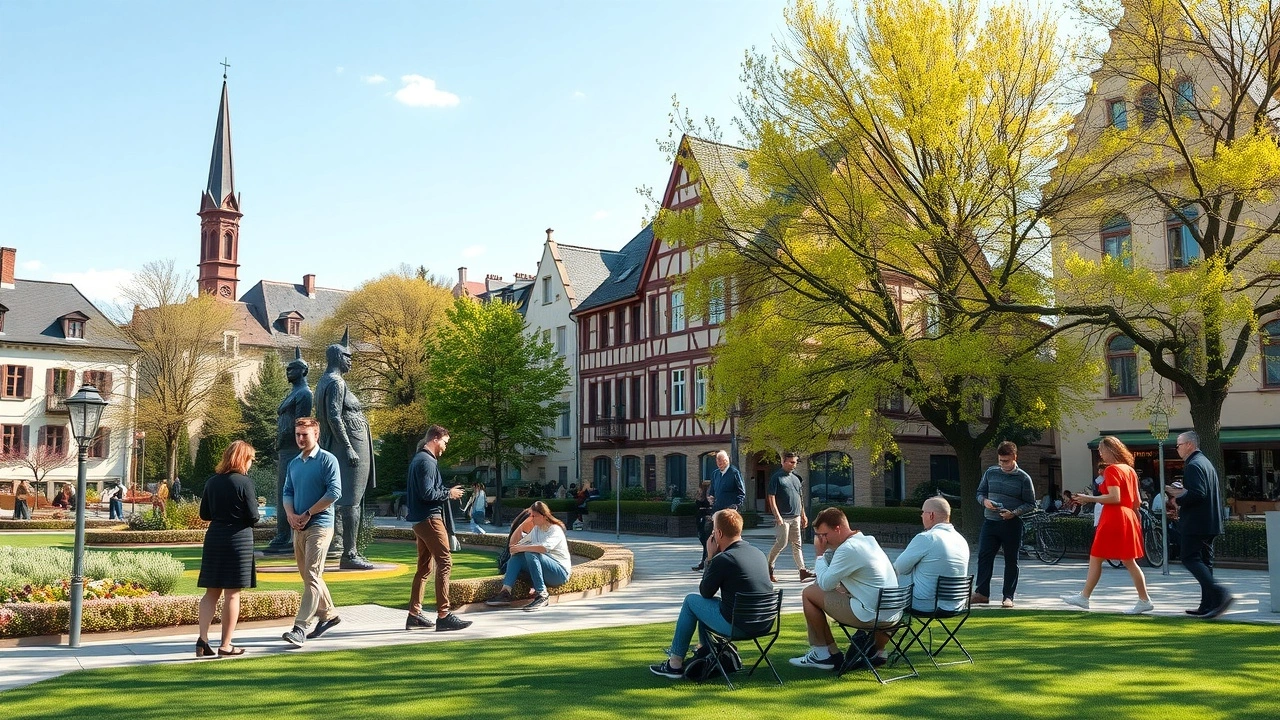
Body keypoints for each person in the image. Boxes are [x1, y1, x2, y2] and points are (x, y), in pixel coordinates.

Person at [649, 509, 772, 679]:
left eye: (713, 530)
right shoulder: (758, 553)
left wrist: (710, 557)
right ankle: (707, 652)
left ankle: (675, 663)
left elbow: (705, 592)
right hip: (765, 624)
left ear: (719, 533)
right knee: (709, 605)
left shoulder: (724, 559)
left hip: (739, 626)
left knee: (691, 601)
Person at [790, 507, 899, 670]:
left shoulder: (848, 548)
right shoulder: (868, 540)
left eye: (824, 535)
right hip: (893, 615)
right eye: (819, 536)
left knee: (809, 593)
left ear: (838, 529)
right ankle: (872, 651)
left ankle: (823, 654)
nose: (822, 540)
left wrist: (819, 554)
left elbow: (826, 584)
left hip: (871, 615)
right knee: (822, 590)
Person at [1060, 436, 1153, 614]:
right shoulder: (1130, 471)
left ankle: (1084, 597)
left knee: (1096, 556)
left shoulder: (1111, 471)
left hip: (1114, 517)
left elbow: (1114, 497)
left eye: (1102, 450)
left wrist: (1089, 498)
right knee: (1129, 561)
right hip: (1128, 516)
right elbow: (1137, 502)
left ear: (1111, 450)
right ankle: (1143, 599)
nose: (1100, 453)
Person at [316, 331, 378, 570]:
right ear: (337, 357)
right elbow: (334, 416)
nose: (351, 361)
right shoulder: (336, 382)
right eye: (348, 356)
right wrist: (350, 448)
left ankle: (341, 547)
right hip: (350, 445)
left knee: (346, 500)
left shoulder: (325, 381)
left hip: (345, 443)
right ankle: (350, 553)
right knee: (351, 501)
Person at [280, 417, 343, 647]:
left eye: (304, 435)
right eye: (297, 434)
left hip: (320, 524)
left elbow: (334, 492)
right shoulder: (294, 463)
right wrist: (290, 514)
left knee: (312, 575)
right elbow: (287, 491)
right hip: (298, 526)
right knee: (309, 576)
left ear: (316, 434)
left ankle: (300, 628)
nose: (300, 438)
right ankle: (330, 615)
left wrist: (308, 513)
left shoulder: (328, 460)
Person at [196, 440, 261, 657]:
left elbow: (204, 514)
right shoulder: (244, 483)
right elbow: (253, 516)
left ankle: (202, 640)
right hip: (238, 539)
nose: (251, 463)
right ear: (243, 459)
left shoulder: (212, 482)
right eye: (250, 458)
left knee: (211, 592)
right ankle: (226, 644)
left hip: (214, 537)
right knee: (232, 594)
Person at [404, 424, 472, 632]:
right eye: (444, 442)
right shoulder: (426, 461)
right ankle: (444, 615)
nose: (445, 447)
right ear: (435, 438)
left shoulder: (420, 460)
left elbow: (429, 490)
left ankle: (414, 615)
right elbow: (427, 494)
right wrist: (448, 494)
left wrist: (446, 490)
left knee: (424, 568)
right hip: (430, 519)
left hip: (420, 520)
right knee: (445, 561)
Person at [1170, 431, 1233, 619]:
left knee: (1189, 558)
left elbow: (1198, 493)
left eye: (1179, 445)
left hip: (1197, 523)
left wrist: (1178, 497)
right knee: (1205, 562)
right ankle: (1208, 605)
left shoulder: (1193, 465)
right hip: (1210, 521)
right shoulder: (1205, 462)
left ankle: (1219, 593)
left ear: (1189, 444)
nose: (1177, 449)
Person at [973, 441, 1036, 609]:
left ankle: (1008, 596)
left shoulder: (1023, 478)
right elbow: (979, 493)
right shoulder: (991, 472)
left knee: (1011, 560)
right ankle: (982, 593)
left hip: (1012, 523)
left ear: (1014, 457)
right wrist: (984, 501)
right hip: (990, 521)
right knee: (984, 556)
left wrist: (1014, 513)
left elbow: (1030, 503)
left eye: (1006, 461)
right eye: (1000, 460)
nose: (1003, 464)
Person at [485, 500, 572, 611]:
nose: (531, 518)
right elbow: (512, 545)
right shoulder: (536, 529)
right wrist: (522, 525)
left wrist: (521, 548)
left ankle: (542, 595)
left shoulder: (555, 529)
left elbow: (543, 548)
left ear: (543, 516)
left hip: (560, 574)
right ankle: (505, 592)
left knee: (531, 552)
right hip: (547, 571)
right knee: (516, 557)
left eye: (533, 516)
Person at [893, 497, 970, 612]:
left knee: (892, 573)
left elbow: (899, 567)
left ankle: (882, 625)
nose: (921, 516)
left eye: (923, 512)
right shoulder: (961, 540)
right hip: (956, 604)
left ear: (931, 515)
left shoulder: (927, 537)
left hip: (926, 604)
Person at [766, 452, 811, 584]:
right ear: (783, 461)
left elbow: (800, 498)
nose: (794, 465)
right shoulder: (776, 477)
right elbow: (771, 497)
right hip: (783, 517)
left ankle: (802, 571)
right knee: (781, 543)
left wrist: (803, 514)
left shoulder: (796, 478)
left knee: (797, 544)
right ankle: (768, 567)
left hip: (796, 516)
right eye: (791, 462)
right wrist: (777, 516)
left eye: (795, 462)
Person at [691, 481, 713, 571]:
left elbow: (709, 508)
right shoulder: (700, 497)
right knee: (704, 543)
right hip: (700, 521)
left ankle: (705, 562)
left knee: (706, 543)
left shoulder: (708, 498)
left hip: (705, 521)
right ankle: (705, 562)